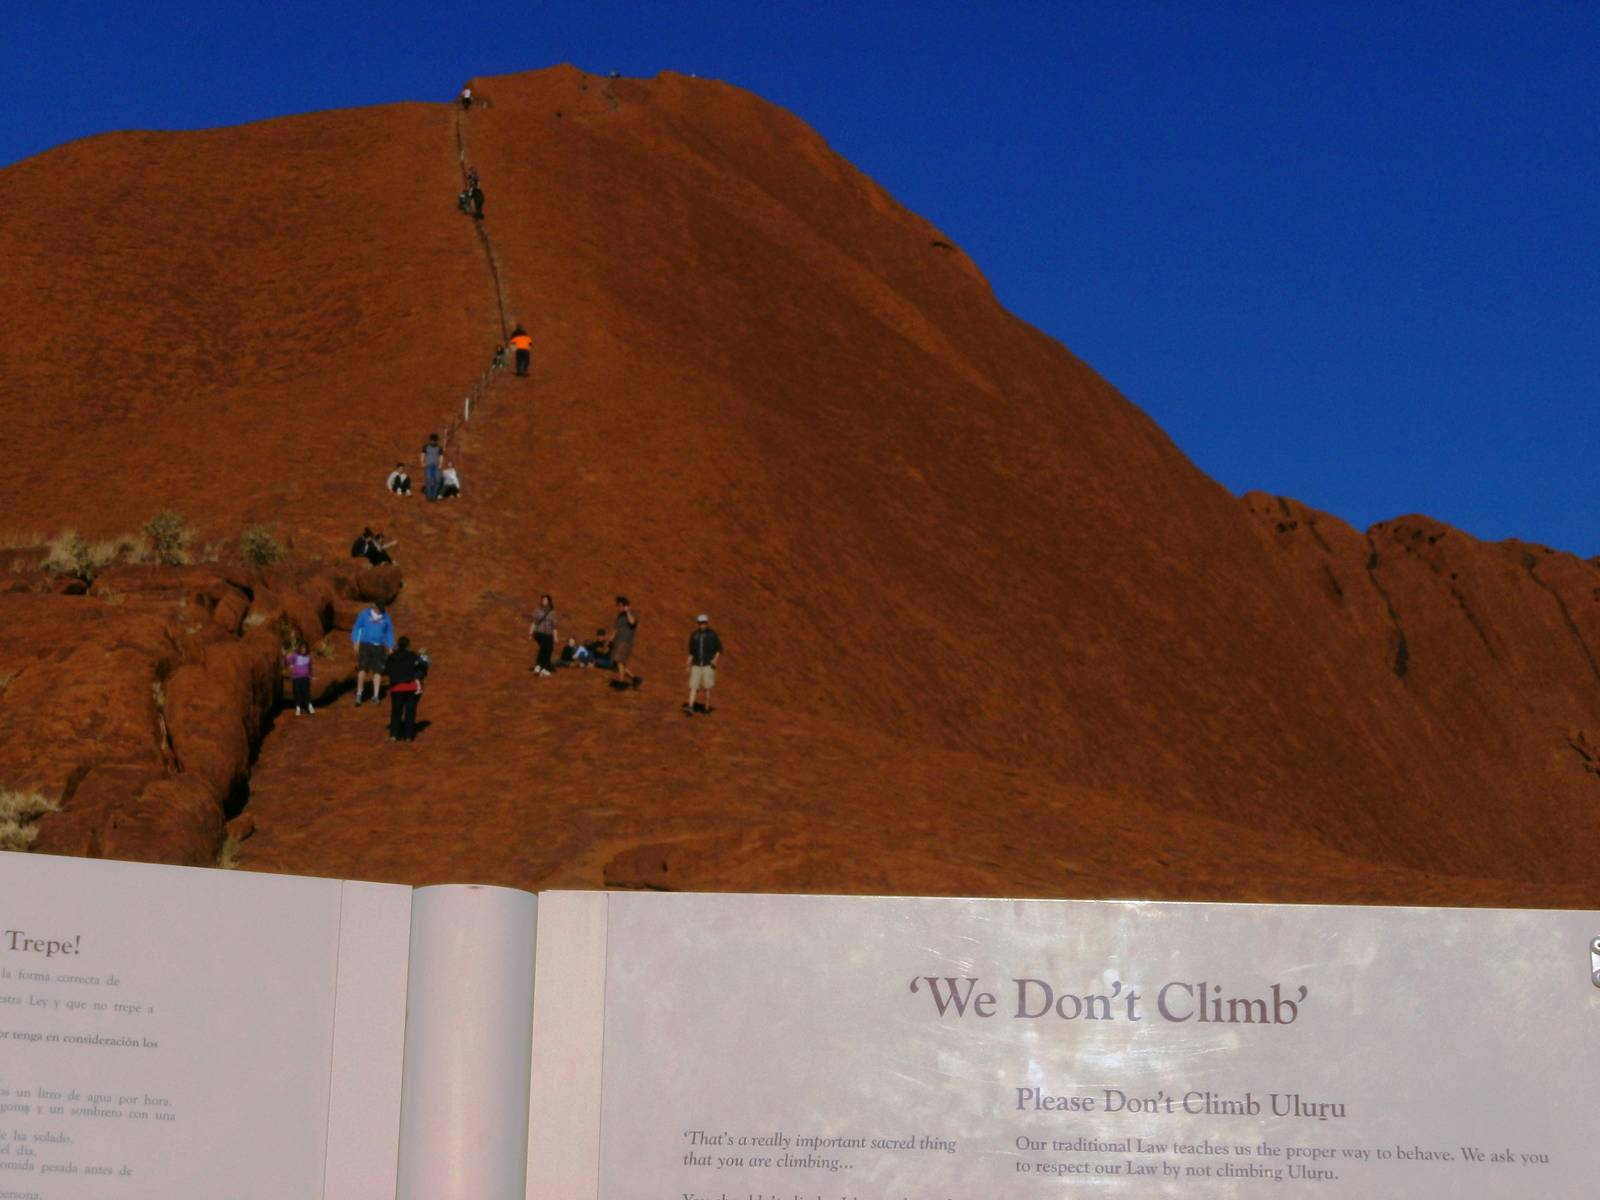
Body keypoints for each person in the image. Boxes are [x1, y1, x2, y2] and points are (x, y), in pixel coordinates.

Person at [351, 601, 395, 706]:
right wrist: (355, 641)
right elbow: (357, 628)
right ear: (374, 606)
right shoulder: (364, 614)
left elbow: (389, 632)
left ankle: (375, 696)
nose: (380, 611)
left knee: (378, 671)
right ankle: (359, 694)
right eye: (379, 608)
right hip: (365, 645)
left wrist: (390, 646)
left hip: (379, 647)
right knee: (362, 669)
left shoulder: (386, 617)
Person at [385, 636, 425, 742]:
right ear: (408, 645)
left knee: (396, 712)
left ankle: (394, 735)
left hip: (396, 688)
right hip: (410, 688)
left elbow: (386, 670)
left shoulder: (392, 656)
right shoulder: (412, 656)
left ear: (398, 645)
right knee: (410, 712)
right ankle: (408, 736)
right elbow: (422, 665)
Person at [684, 614, 722, 716]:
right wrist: (688, 664)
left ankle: (706, 708)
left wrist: (715, 660)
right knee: (693, 687)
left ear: (707, 623)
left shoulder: (712, 635)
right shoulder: (694, 635)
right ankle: (690, 706)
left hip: (708, 665)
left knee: (707, 688)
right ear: (698, 623)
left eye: (704, 623)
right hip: (696, 665)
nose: (702, 625)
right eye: (700, 623)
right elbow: (691, 652)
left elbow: (719, 649)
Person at [610, 596, 640, 689]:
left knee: (619, 661)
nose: (619, 608)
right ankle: (635, 679)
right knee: (619, 663)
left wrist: (628, 611)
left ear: (625, 606)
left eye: (620, 605)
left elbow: (632, 622)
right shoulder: (620, 616)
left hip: (625, 641)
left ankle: (621, 683)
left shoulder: (632, 613)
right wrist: (611, 639)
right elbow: (616, 629)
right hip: (618, 641)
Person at [528, 595, 558, 677]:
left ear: (549, 601)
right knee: (544, 647)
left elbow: (554, 626)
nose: (544, 601)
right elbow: (534, 623)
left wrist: (555, 637)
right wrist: (530, 633)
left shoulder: (552, 613)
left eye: (545, 600)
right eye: (543, 599)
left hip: (549, 634)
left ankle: (542, 667)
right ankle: (540, 666)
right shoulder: (537, 611)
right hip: (539, 633)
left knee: (549, 649)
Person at [284, 640, 316, 715]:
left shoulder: (308, 657)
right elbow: (288, 661)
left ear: (307, 649)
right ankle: (298, 708)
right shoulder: (295, 656)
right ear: (299, 648)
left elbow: (310, 668)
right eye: (302, 648)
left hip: (305, 678)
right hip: (296, 678)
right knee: (297, 693)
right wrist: (286, 657)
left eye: (304, 648)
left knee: (306, 693)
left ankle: (310, 706)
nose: (303, 650)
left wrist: (311, 676)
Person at [420, 432, 444, 500]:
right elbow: (422, 454)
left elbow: (441, 456)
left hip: (436, 466)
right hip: (428, 466)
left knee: (437, 481)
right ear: (430, 440)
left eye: (434, 440)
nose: (433, 441)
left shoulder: (439, 448)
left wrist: (440, 464)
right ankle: (429, 496)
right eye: (432, 440)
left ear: (436, 440)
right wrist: (422, 462)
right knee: (428, 481)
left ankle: (433, 496)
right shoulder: (426, 446)